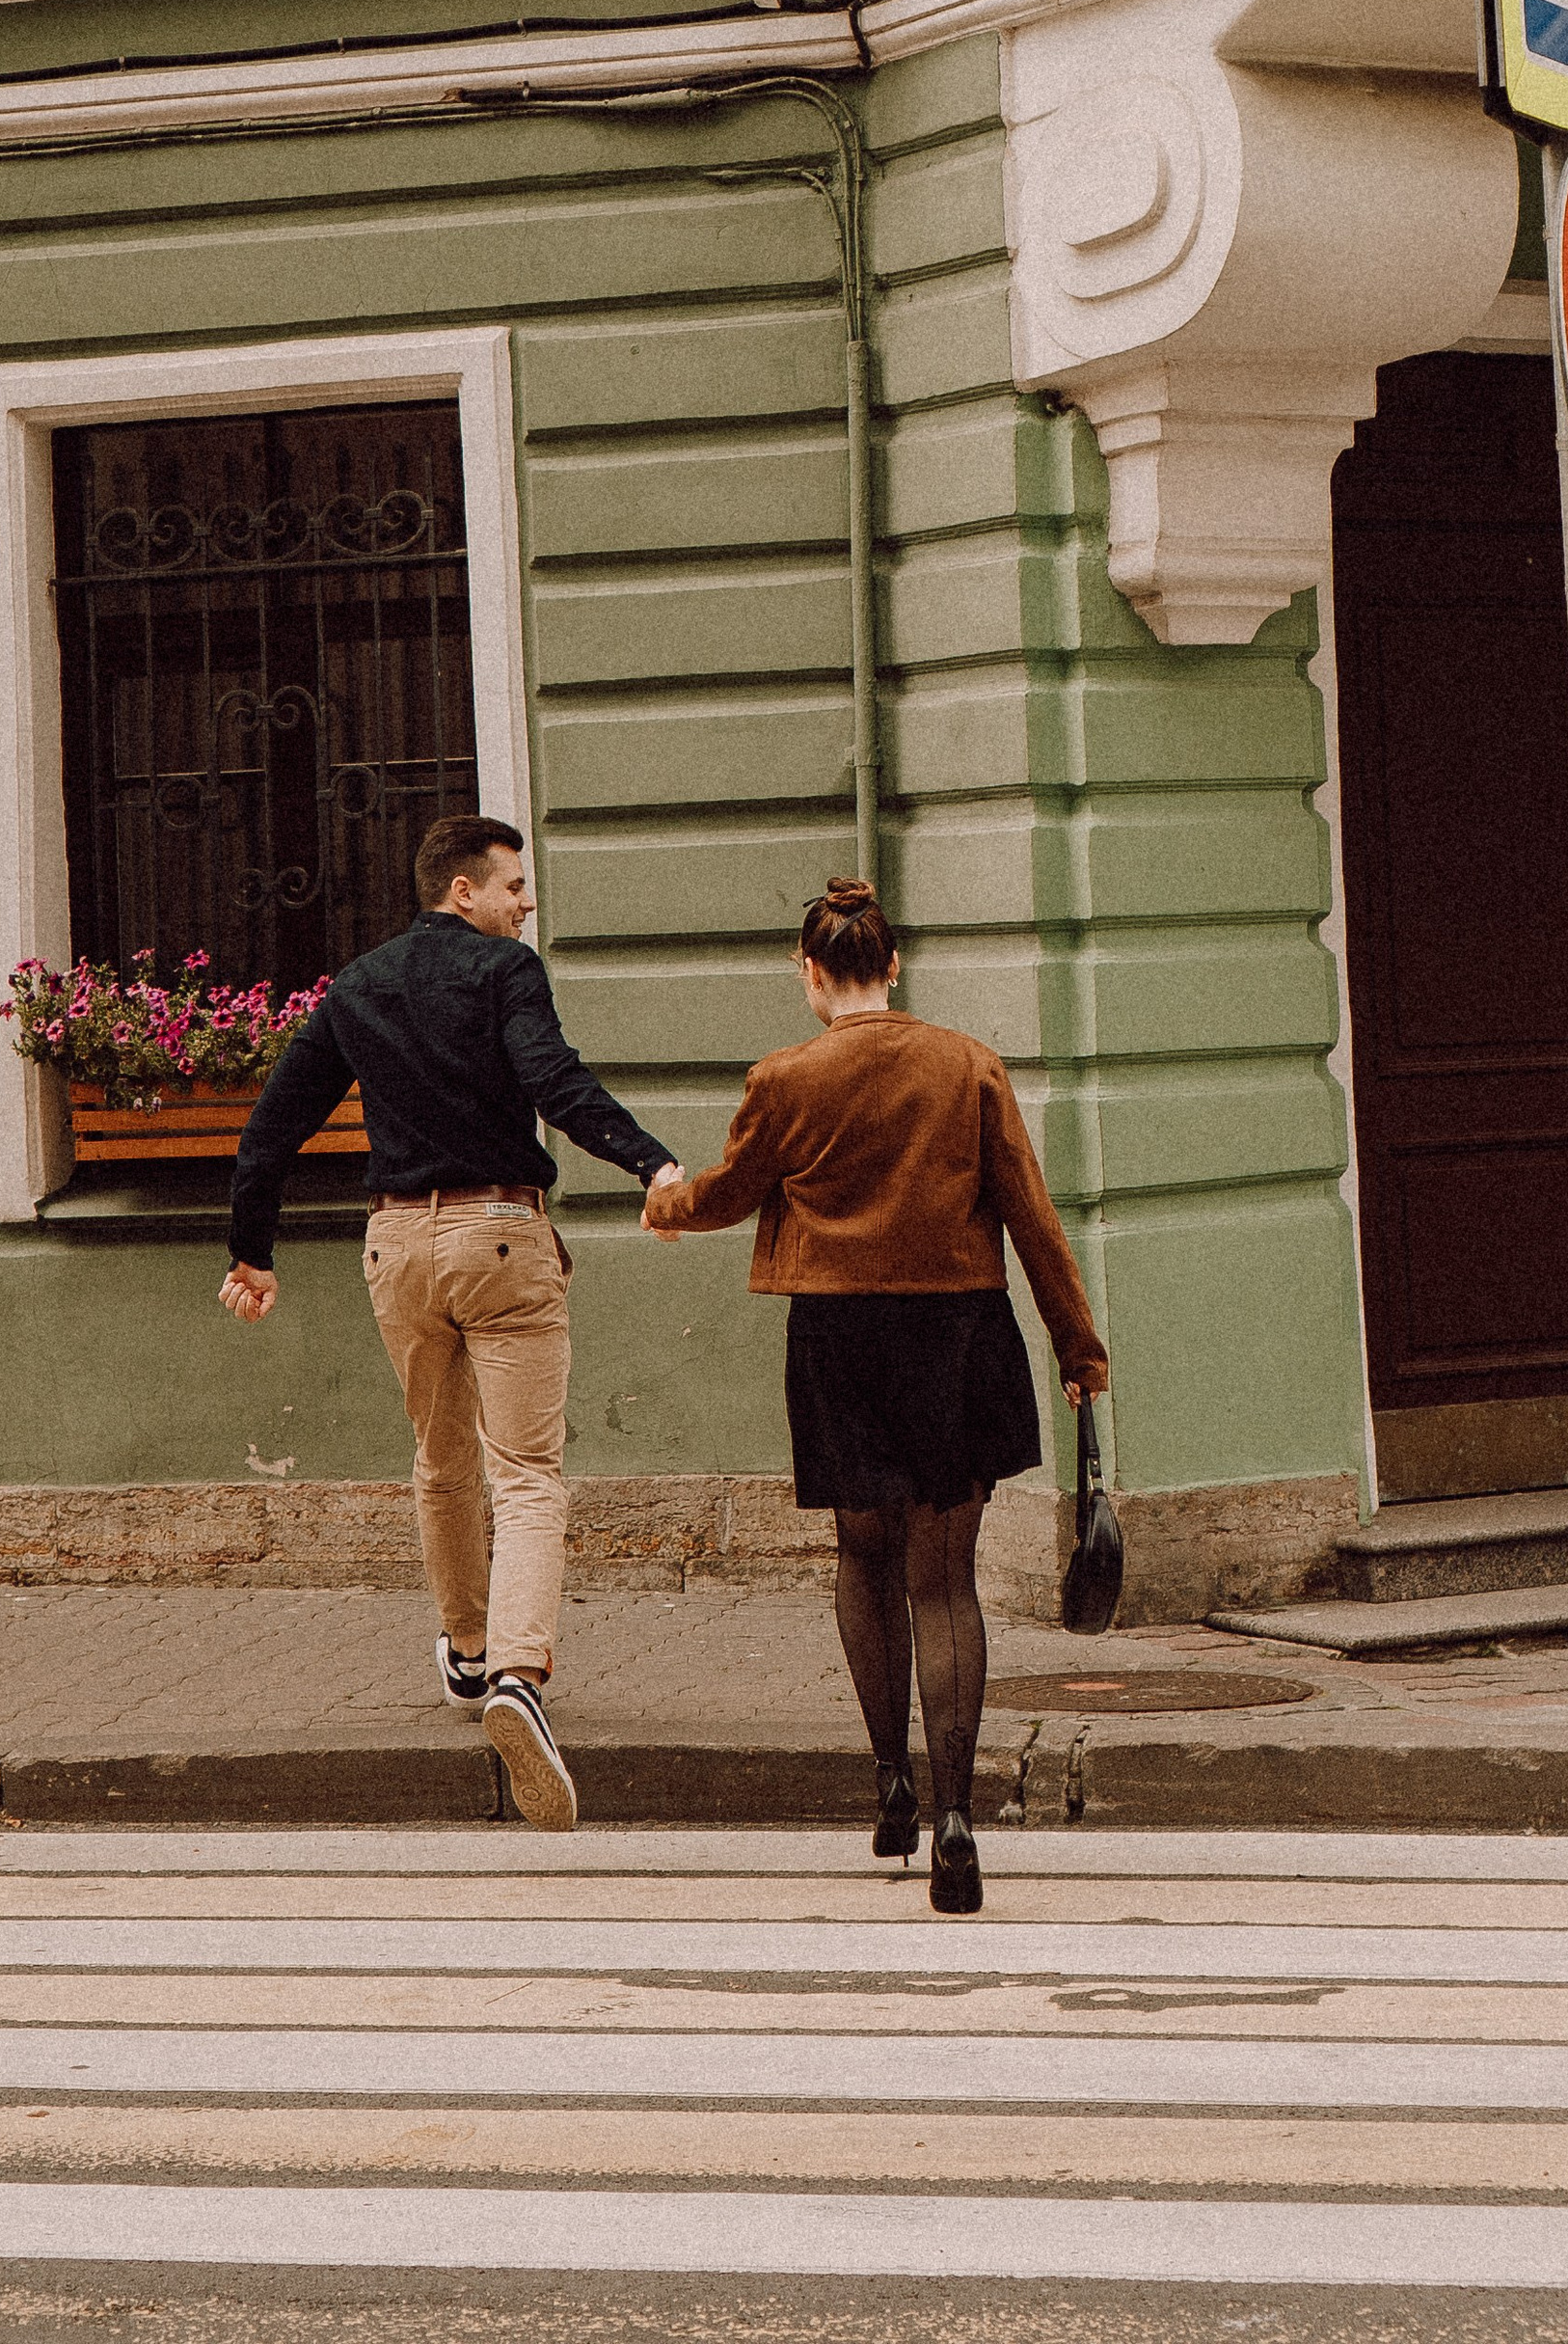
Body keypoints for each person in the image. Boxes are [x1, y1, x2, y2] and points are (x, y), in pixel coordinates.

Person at [641, 876, 1106, 1915]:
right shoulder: (967, 1065)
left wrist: (665, 1204)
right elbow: (1030, 1213)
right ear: (892, 965)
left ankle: (890, 1781)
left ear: (811, 974)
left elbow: (729, 1190)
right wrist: (1077, 1347)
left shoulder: (784, 1076)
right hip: (958, 1333)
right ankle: (954, 1819)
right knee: (945, 1581)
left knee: (864, 1553)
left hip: (839, 1336)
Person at [220, 813, 682, 1832]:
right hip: (501, 1235)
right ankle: (519, 1675)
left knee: (440, 1459)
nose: (526, 902)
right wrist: (651, 1162)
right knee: (524, 1472)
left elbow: (273, 1127)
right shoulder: (504, 972)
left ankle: (467, 1656)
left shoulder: (359, 984)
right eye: (514, 885)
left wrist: (251, 1251)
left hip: (396, 1248)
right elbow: (552, 1082)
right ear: (463, 889)